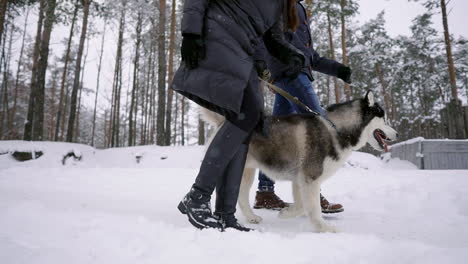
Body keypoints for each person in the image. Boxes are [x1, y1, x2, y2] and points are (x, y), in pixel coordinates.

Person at [172, 0, 306, 231]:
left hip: (244, 54)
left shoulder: (278, 6)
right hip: (217, 34)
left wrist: (290, 54)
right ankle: (197, 196)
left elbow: (271, 39)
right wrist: (191, 33)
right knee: (246, 116)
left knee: (248, 121)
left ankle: (226, 213)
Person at [252, 0, 352, 213]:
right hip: (291, 74)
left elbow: (310, 57)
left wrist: (338, 70)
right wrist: (266, 71)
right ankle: (312, 194)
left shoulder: (298, 8)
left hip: (292, 74)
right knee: (320, 130)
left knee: (275, 138)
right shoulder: (281, 4)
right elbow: (268, 37)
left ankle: (265, 192)